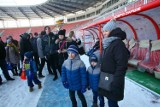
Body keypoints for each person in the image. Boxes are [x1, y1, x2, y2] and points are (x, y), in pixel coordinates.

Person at [99, 19, 130, 107]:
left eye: (106, 31)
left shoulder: (118, 44)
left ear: (112, 31)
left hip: (114, 80)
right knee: (111, 101)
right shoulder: (110, 43)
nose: (104, 33)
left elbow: (122, 65)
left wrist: (116, 81)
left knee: (112, 103)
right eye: (103, 31)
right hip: (108, 79)